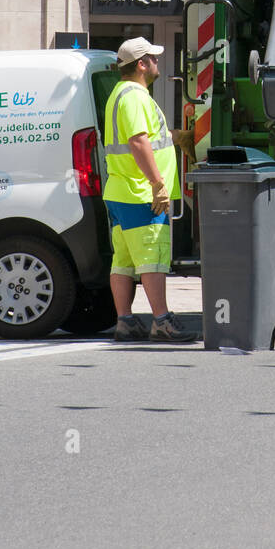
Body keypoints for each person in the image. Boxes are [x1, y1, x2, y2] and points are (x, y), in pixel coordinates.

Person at [103, 37, 197, 341]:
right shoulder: (134, 96)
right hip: (141, 194)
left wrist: (176, 137)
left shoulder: (121, 93)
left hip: (121, 192)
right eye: (153, 58)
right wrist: (158, 185)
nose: (158, 62)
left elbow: (147, 137)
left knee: (123, 262)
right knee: (152, 258)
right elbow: (138, 141)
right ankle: (162, 322)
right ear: (141, 64)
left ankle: (126, 322)